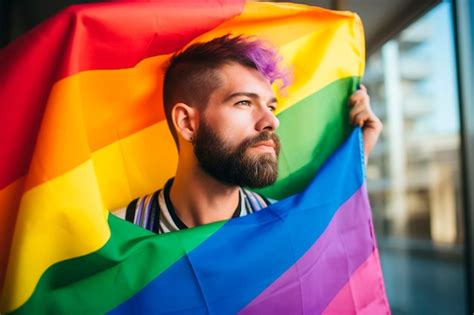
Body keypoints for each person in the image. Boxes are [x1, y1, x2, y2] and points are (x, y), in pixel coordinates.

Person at [113, 34, 382, 234]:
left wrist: (361, 147)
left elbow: (334, 232)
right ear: (187, 123)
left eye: (271, 106)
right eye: (244, 102)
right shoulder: (119, 240)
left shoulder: (285, 227)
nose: (272, 121)